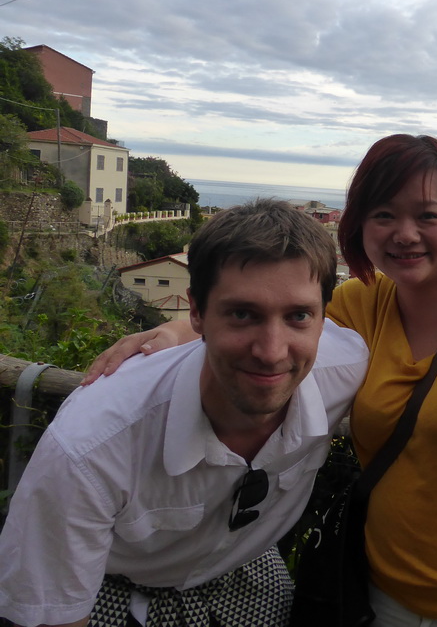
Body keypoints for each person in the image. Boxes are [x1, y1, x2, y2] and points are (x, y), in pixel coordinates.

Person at [85, 135, 437, 627]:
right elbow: (271, 315)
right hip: (374, 588)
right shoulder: (362, 304)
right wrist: (174, 329)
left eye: (427, 216)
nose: (405, 233)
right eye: (383, 215)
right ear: (360, 226)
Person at [0, 200, 369, 627]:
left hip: (244, 575)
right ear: (196, 311)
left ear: (323, 318)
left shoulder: (344, 369)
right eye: (242, 314)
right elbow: (55, 616)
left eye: (298, 316)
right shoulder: (91, 445)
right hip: (111, 588)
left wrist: (174, 331)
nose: (271, 352)